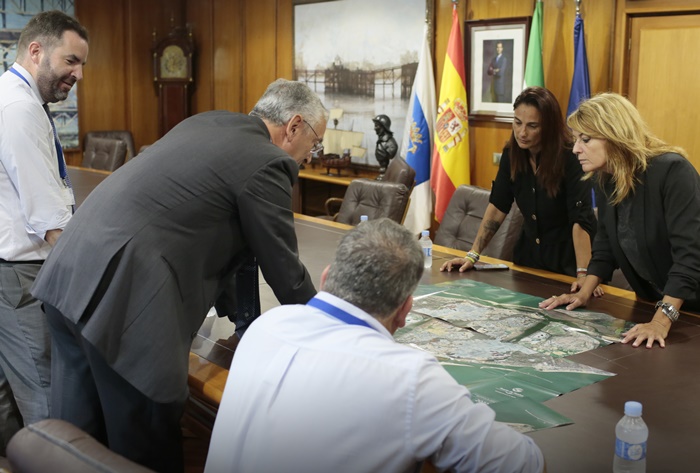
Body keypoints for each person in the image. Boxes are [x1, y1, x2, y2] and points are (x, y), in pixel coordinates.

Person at [31, 78, 327, 472]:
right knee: (142, 448)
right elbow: (284, 270)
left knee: (76, 446)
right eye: (315, 142)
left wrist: (241, 320)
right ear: (293, 126)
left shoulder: (207, 123)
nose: (312, 154)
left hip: (69, 279)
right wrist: (331, 325)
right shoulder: (267, 160)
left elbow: (223, 235)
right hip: (124, 306)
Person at [205, 218, 545, 473]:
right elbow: (524, 465)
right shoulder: (409, 378)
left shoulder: (267, 327)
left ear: (325, 278)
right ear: (405, 311)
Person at [540, 92, 700, 349]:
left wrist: (661, 321)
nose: (576, 148)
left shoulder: (673, 171)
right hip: (655, 307)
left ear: (615, 135)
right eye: (575, 139)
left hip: (689, 310)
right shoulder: (606, 177)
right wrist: (582, 293)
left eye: (585, 139)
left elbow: (690, 257)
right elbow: (605, 244)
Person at [0, 10, 88, 453]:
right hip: (21, 277)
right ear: (36, 51)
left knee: (11, 401)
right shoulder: (19, 108)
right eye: (71, 61)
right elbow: (49, 217)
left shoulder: (15, 97)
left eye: (82, 66)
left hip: (13, 272)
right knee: (46, 399)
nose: (77, 74)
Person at [441, 87, 598, 293]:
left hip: (568, 262)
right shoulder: (512, 153)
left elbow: (580, 219)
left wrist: (583, 274)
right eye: (517, 123)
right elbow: (498, 205)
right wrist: (473, 255)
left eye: (532, 126)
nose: (522, 133)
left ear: (548, 127)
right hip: (528, 259)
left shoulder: (571, 156)